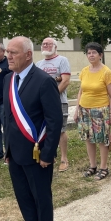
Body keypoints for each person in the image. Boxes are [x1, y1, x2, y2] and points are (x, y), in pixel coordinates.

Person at [4, 36, 63, 221]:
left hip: (37, 155)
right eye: (8, 52)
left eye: (13, 52)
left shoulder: (43, 81)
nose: (8, 56)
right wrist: (6, 149)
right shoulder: (9, 79)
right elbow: (7, 118)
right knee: (25, 199)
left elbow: (54, 120)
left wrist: (48, 154)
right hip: (15, 154)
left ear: (28, 55)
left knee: (41, 199)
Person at [74, 42, 111, 181]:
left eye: (94, 52)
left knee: (102, 139)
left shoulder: (106, 72)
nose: (91, 55)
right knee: (88, 139)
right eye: (88, 53)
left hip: (100, 110)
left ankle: (104, 167)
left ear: (100, 55)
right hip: (84, 110)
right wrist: (77, 109)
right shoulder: (84, 71)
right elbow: (81, 91)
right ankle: (93, 166)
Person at [36, 38, 72, 172]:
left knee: (60, 130)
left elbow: (65, 81)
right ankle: (49, 155)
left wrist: (51, 98)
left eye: (49, 44)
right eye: (43, 43)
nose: (45, 45)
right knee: (44, 129)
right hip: (41, 103)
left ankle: (64, 159)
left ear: (55, 47)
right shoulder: (39, 64)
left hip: (59, 101)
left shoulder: (62, 60)